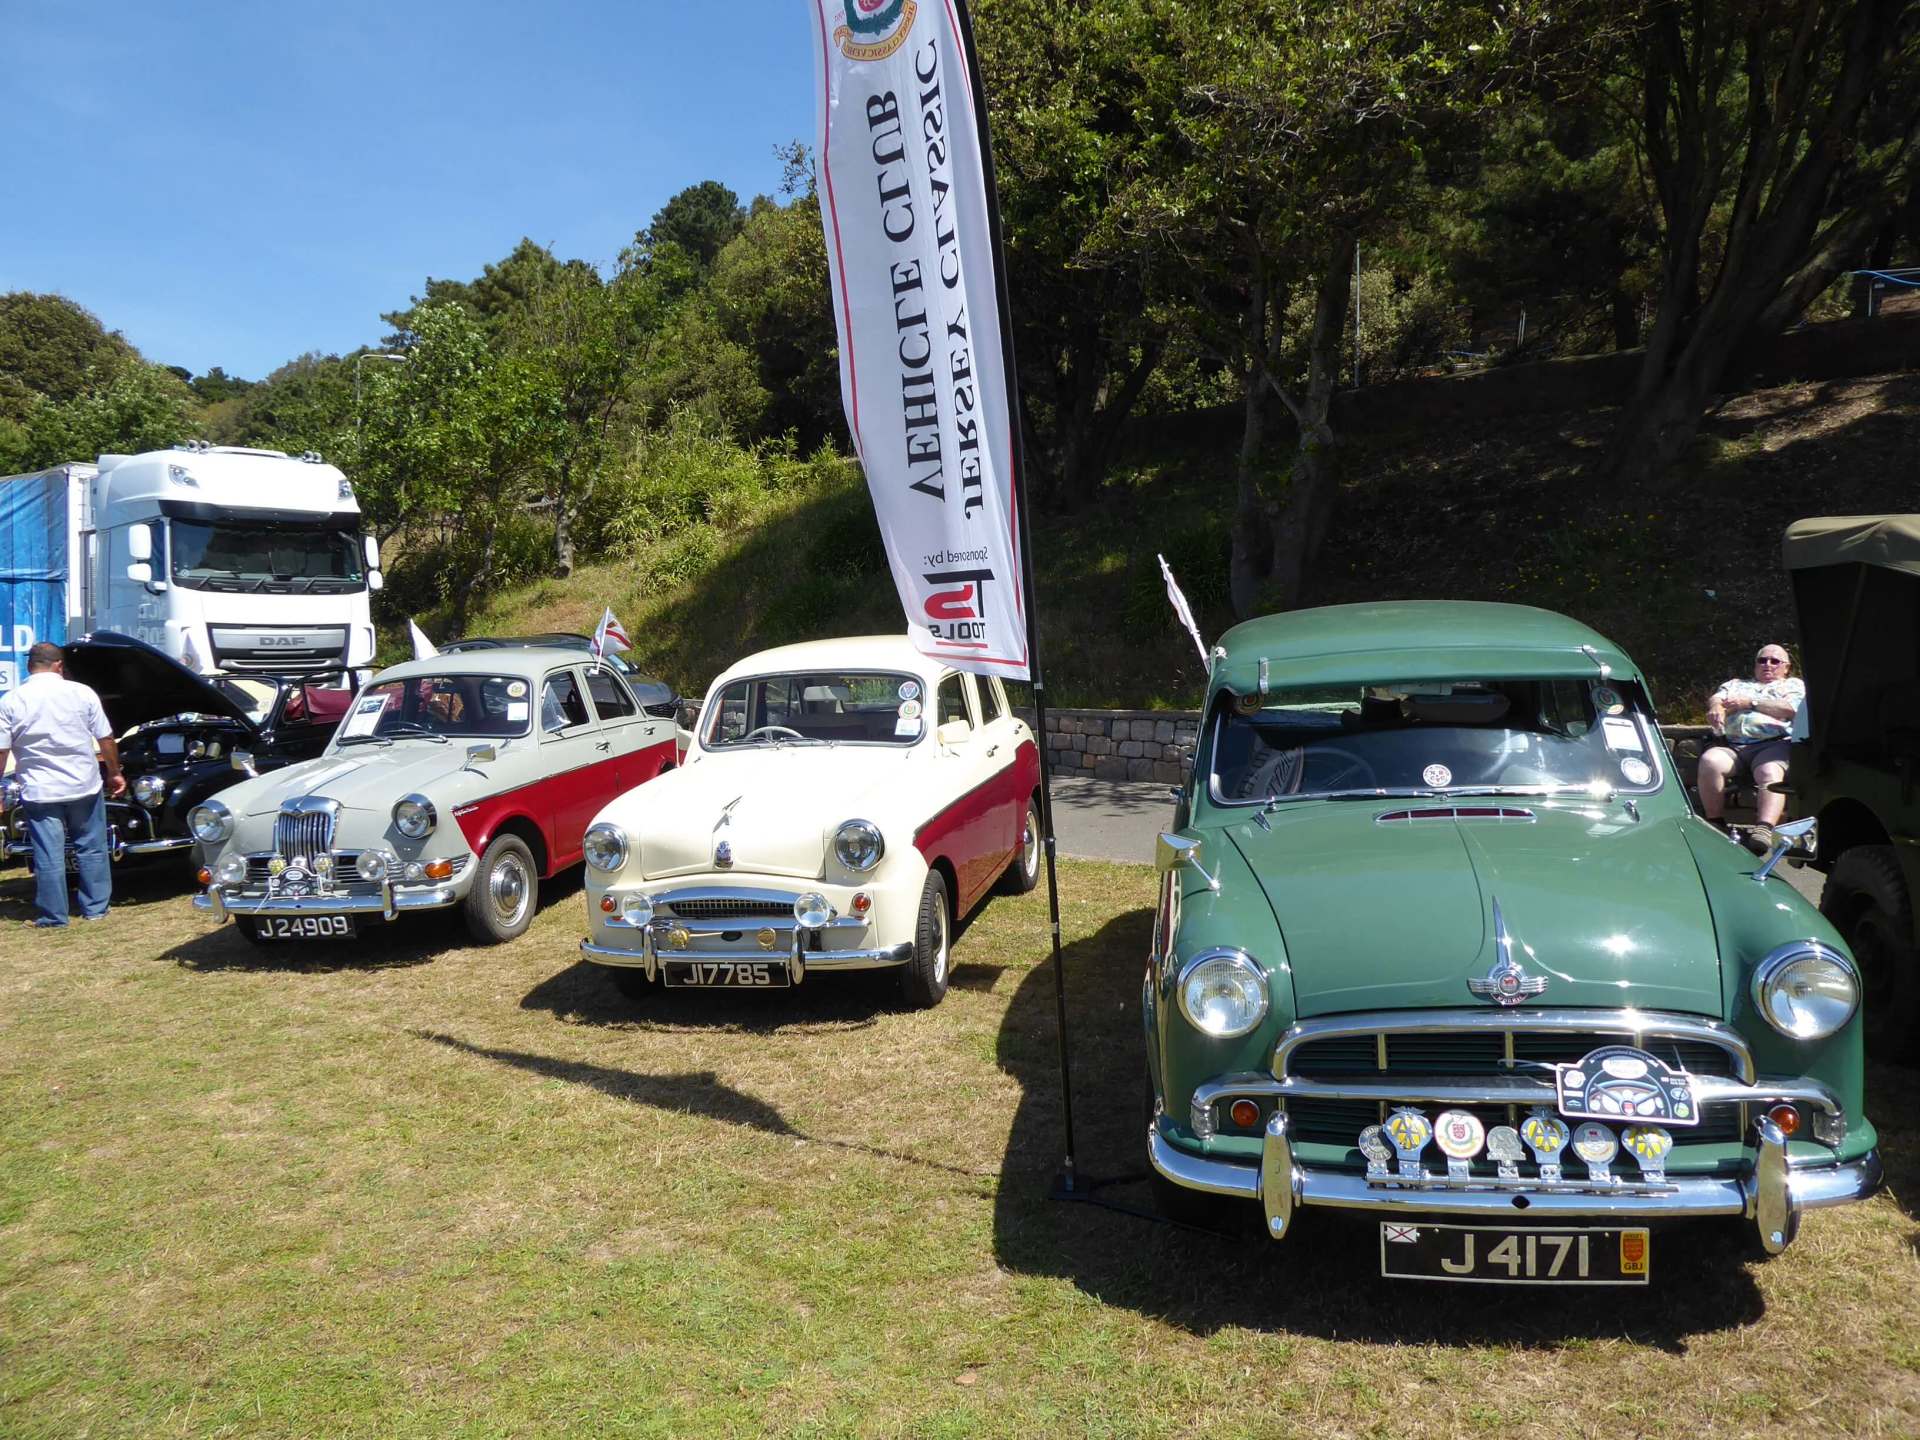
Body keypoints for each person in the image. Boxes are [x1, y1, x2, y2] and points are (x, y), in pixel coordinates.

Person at [0, 642, 125, 926]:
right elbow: (105, 738)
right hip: (83, 784)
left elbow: (2, 750)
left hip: (40, 789)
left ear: (29, 666)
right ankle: (96, 909)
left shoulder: (11, 700)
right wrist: (114, 772)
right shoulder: (82, 692)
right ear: (59, 665)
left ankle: (54, 917)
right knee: (91, 847)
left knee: (48, 854)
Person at [1697, 643, 1804, 840]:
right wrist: (1716, 708)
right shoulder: (1736, 684)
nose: (1767, 664)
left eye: (1775, 661)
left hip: (1773, 744)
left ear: (1786, 667)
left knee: (1769, 771)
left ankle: (1764, 829)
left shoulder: (1792, 685)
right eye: (1762, 660)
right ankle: (1715, 822)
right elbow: (1717, 698)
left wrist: (1751, 703)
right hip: (1732, 745)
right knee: (1710, 761)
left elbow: (1790, 709)